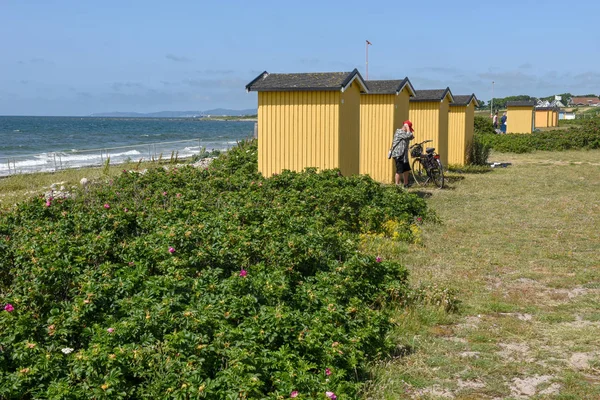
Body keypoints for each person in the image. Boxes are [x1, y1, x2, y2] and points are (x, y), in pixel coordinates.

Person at [390, 120, 414, 188]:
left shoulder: (405, 133)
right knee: (399, 170)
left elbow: (411, 137)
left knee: (406, 169)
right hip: (399, 154)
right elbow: (409, 135)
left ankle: (406, 184)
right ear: (405, 127)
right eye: (409, 128)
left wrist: (408, 129)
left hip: (404, 155)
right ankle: (397, 186)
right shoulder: (399, 132)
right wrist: (407, 127)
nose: (409, 130)